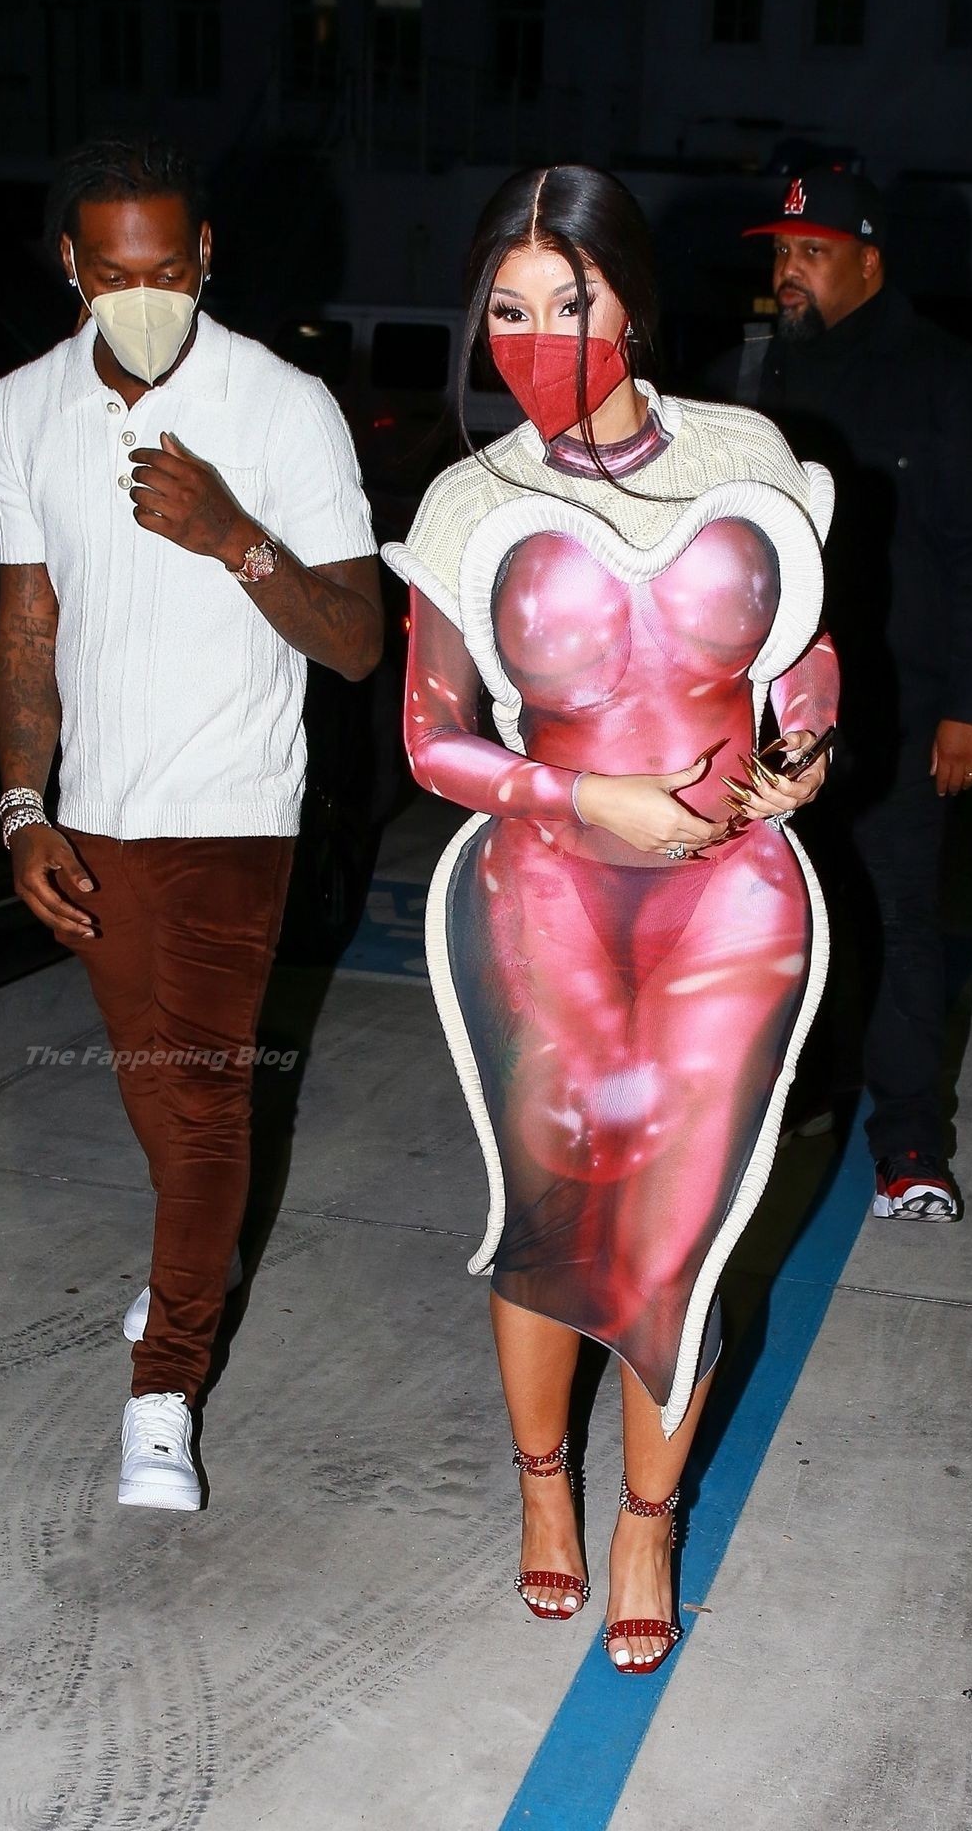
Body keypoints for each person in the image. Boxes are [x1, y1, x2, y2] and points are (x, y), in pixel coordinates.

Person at [384, 164, 839, 1671]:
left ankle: (647, 1515)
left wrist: (804, 746)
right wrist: (585, 799)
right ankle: (541, 1487)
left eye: (566, 302)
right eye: (506, 311)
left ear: (630, 299)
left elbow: (801, 649)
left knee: (681, 1229)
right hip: (543, 894)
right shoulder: (470, 498)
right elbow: (431, 739)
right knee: (551, 1210)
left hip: (732, 895)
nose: (535, 338)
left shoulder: (741, 454)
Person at [0, 138, 382, 1511]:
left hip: (231, 812)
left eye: (166, 269)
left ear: (206, 257)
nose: (142, 296)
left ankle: (164, 1385)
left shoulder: (284, 407)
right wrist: (24, 807)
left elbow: (355, 643)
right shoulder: (23, 407)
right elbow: (27, 624)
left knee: (204, 1098)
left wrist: (232, 535)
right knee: (156, 1087)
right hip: (96, 812)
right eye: (113, 274)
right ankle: (194, 1262)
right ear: (71, 267)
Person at [733, 166, 972, 1220]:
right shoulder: (758, 372)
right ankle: (791, 1101)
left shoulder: (943, 373)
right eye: (780, 252)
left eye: (810, 252)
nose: (789, 271)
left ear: (868, 262)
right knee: (772, 918)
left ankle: (908, 1147)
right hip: (774, 713)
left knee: (899, 919)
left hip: (900, 708)